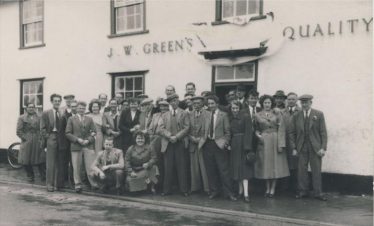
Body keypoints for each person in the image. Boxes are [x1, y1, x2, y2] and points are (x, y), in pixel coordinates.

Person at [289, 94, 328, 201]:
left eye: (306, 102)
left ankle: (318, 193)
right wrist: (294, 147)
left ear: (311, 103)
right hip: (301, 146)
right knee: (302, 170)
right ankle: (303, 191)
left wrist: (323, 148)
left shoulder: (318, 114)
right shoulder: (296, 116)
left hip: (315, 147)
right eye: (303, 103)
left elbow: (323, 132)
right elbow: (292, 133)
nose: (304, 105)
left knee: (316, 170)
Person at [202, 95, 237, 201]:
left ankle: (229, 193)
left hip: (219, 145)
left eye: (212, 103)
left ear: (217, 104)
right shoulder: (206, 115)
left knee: (224, 170)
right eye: (209, 104)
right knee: (210, 169)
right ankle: (214, 191)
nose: (210, 105)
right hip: (208, 144)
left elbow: (227, 132)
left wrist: (225, 143)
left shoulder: (224, 115)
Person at [254, 95, 289, 198]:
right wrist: (258, 135)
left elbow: (281, 129)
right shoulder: (257, 115)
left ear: (271, 103)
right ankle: (267, 188)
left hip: (275, 139)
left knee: (275, 166)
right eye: (265, 103)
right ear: (262, 104)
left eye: (269, 102)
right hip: (264, 141)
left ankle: (273, 189)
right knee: (266, 165)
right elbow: (256, 128)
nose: (267, 104)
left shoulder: (277, 113)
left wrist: (281, 144)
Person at [159, 93, 190, 196]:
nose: (174, 102)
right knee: (168, 167)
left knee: (181, 167)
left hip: (180, 143)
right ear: (169, 103)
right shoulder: (164, 115)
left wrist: (176, 137)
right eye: (172, 101)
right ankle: (167, 190)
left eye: (176, 100)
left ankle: (183, 190)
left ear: (178, 101)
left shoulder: (184, 113)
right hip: (168, 143)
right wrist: (169, 136)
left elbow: (187, 127)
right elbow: (161, 128)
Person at [65, 101, 97, 193]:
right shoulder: (71, 119)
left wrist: (88, 140)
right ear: (76, 109)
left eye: (83, 108)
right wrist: (77, 140)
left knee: (90, 165)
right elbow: (67, 133)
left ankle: (93, 184)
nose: (81, 110)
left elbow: (94, 132)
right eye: (79, 108)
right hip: (76, 146)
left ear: (85, 109)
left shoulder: (89, 119)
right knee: (76, 166)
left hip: (87, 145)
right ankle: (77, 184)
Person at [228, 100, 254, 202]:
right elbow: (229, 133)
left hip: (243, 145)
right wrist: (229, 144)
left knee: (244, 171)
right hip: (234, 145)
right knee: (237, 170)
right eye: (233, 108)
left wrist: (247, 147)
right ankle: (240, 192)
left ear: (240, 108)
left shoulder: (246, 117)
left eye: (236, 108)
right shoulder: (230, 118)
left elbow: (249, 132)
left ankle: (246, 194)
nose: (234, 110)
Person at [17, 103, 46, 183]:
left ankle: (43, 176)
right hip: (27, 141)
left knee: (41, 159)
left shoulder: (39, 117)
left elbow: (42, 128)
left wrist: (42, 138)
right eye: (29, 107)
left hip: (37, 139)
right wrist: (25, 138)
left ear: (35, 108)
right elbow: (19, 131)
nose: (31, 108)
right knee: (26, 159)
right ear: (26, 108)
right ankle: (30, 175)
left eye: (33, 107)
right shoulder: (22, 118)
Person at [40, 94, 64, 192]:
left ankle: (56, 184)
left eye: (59, 101)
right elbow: (42, 128)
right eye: (55, 101)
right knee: (51, 163)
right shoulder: (46, 113)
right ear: (51, 102)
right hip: (51, 137)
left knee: (59, 162)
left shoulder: (62, 113)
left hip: (61, 138)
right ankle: (49, 184)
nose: (57, 102)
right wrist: (48, 137)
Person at [188, 96, 210, 195]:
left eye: (198, 103)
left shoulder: (208, 114)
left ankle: (207, 189)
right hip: (192, 143)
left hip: (204, 143)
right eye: (194, 103)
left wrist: (201, 139)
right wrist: (191, 137)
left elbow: (208, 129)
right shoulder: (189, 114)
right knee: (194, 167)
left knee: (204, 167)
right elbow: (186, 128)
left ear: (202, 103)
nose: (196, 105)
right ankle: (195, 188)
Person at [282, 92, 301, 193]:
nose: (291, 101)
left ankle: (297, 189)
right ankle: (285, 188)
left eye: (293, 99)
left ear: (297, 100)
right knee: (285, 165)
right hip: (285, 142)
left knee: (297, 166)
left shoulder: (301, 111)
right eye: (289, 99)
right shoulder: (282, 112)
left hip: (296, 142)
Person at [58, 99, 78, 188]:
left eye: (75, 106)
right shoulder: (65, 117)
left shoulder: (80, 117)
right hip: (66, 144)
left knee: (74, 164)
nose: (74, 108)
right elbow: (61, 131)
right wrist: (62, 144)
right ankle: (62, 183)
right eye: (72, 106)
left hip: (75, 144)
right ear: (70, 107)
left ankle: (74, 182)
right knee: (64, 164)